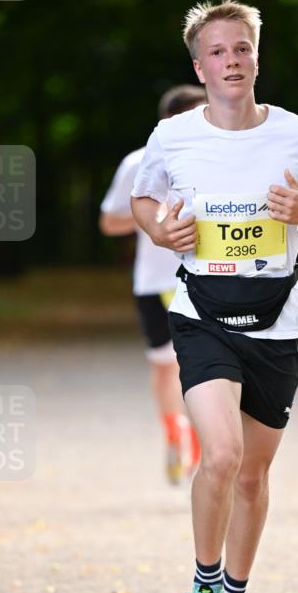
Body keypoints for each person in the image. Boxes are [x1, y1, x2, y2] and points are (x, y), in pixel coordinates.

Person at [131, 0, 298, 593]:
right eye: (218, 52)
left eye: (241, 49)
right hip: (201, 313)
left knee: (253, 477)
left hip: (277, 324)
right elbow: (143, 200)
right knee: (220, 455)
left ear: (257, 57)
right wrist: (159, 230)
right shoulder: (173, 137)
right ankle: (201, 585)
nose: (231, 61)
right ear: (200, 66)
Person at [99, 85, 205, 484]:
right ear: (169, 121)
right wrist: (152, 216)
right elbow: (109, 222)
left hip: (203, 278)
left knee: (202, 365)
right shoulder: (138, 162)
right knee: (165, 368)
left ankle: (198, 444)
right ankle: (173, 434)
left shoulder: (217, 159)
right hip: (155, 282)